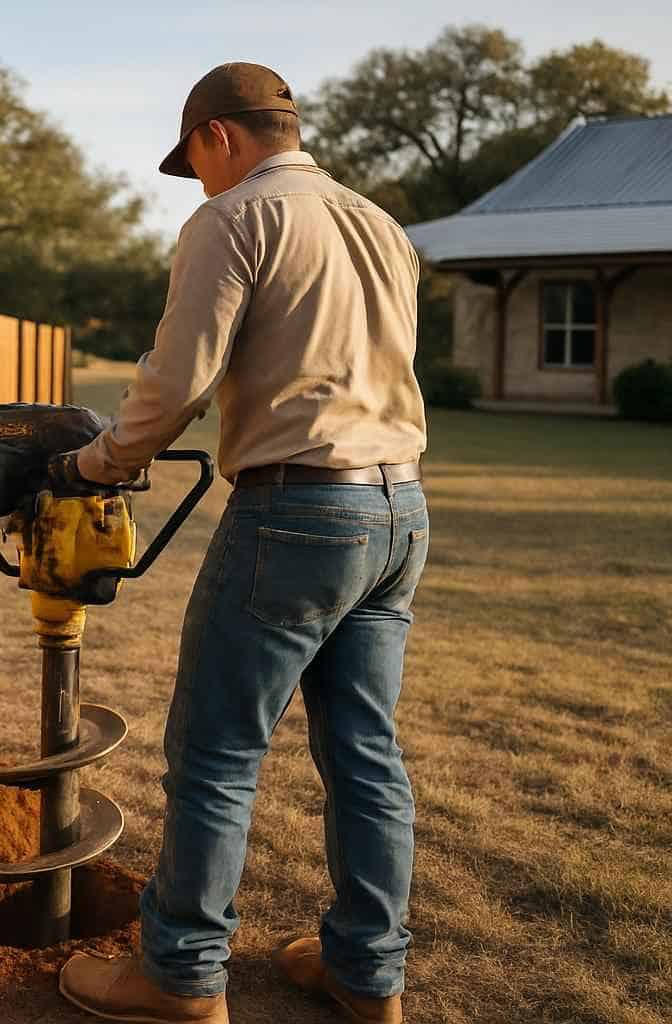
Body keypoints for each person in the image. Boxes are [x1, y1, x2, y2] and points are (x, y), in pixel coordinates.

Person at [49, 63, 428, 1024]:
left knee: (216, 753)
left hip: (297, 510)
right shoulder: (381, 227)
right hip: (398, 512)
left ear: (219, 137)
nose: (201, 183)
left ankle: (176, 978)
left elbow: (177, 379)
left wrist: (97, 465)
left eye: (199, 163)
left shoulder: (234, 219)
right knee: (365, 754)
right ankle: (366, 974)